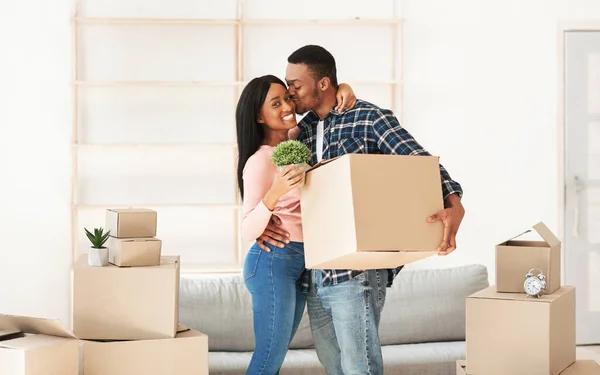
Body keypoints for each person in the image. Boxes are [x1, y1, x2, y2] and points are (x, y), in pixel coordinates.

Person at [255, 45, 465, 374]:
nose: (290, 92)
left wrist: (454, 201)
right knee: (334, 366)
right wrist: (262, 220)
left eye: (295, 84)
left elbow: (418, 160)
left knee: (359, 367)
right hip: (314, 275)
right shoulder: (303, 130)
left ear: (323, 84)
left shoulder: (368, 117)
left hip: (357, 272)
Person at [235, 74, 356, 375]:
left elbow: (321, 109)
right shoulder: (259, 162)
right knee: (268, 358)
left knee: (274, 359)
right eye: (275, 103)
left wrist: (344, 88)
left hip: (302, 264)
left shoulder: (297, 141)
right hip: (272, 261)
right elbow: (249, 228)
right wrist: (275, 193)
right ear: (259, 116)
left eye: (287, 98)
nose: (288, 106)